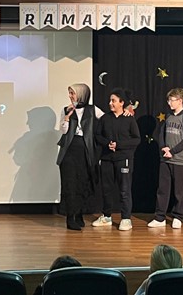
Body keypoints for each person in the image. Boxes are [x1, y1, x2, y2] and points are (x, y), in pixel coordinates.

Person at [93, 87, 141, 231]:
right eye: (110, 100)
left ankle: (126, 218)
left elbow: (136, 139)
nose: (110, 103)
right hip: (107, 159)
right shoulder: (105, 118)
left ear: (121, 103)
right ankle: (106, 216)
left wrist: (119, 145)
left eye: (113, 101)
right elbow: (97, 135)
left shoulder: (129, 119)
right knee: (106, 189)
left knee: (124, 190)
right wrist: (107, 144)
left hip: (124, 159)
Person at [57, 83, 103, 230]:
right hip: (70, 150)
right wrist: (67, 118)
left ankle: (79, 214)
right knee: (70, 184)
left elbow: (107, 120)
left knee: (83, 183)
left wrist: (126, 110)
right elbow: (63, 131)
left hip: (86, 150)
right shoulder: (66, 109)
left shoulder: (93, 109)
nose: (70, 96)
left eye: (73, 93)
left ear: (82, 94)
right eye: (69, 93)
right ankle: (70, 218)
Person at [148, 88, 183, 229]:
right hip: (165, 159)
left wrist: (172, 151)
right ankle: (160, 217)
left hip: (179, 160)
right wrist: (164, 149)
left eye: (172, 100)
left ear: (180, 101)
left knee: (179, 191)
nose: (169, 103)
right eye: (168, 100)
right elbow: (161, 134)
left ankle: (178, 216)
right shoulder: (168, 116)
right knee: (163, 189)